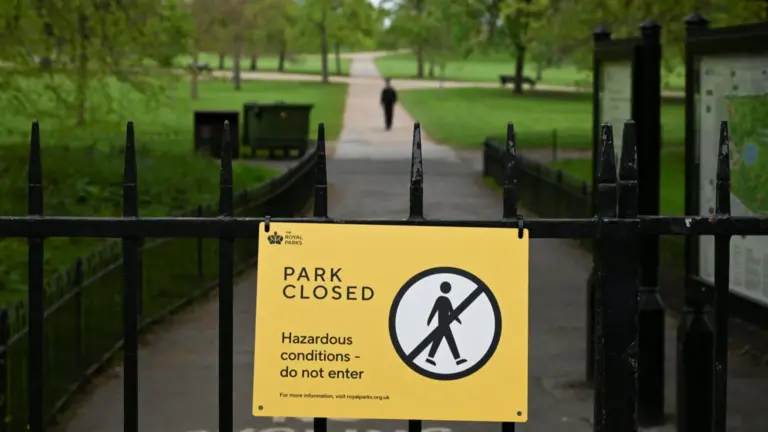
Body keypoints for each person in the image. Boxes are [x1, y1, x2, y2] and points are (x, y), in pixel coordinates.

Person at [425, 281, 467, 367]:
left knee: (439, 340)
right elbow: (434, 310)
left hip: (445, 323)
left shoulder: (445, 299)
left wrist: (457, 319)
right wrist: (429, 319)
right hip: (443, 324)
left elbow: (451, 311)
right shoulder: (441, 299)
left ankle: (430, 357)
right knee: (449, 340)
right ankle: (457, 359)